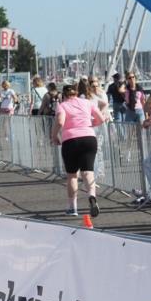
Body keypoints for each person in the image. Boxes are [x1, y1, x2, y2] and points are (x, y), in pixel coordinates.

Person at [50, 83, 106, 218]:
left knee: (72, 175)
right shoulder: (87, 102)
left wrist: (54, 135)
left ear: (63, 95)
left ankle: (72, 207)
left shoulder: (62, 105)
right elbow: (101, 118)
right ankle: (92, 196)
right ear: (76, 93)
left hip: (71, 139)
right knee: (88, 171)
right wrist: (90, 124)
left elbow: (60, 121)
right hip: (88, 137)